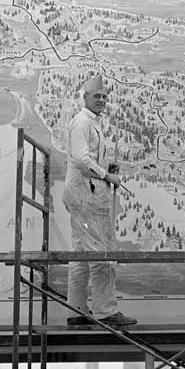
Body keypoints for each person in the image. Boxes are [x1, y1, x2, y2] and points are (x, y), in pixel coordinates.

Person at [62, 73, 137, 327]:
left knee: (82, 254)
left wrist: (106, 167)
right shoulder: (82, 122)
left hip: (82, 195)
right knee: (101, 253)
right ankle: (106, 311)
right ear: (85, 97)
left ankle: (76, 311)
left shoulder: (90, 123)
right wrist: (106, 175)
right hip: (86, 196)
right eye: (97, 96)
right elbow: (81, 160)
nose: (102, 100)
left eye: (105, 97)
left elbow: (87, 158)